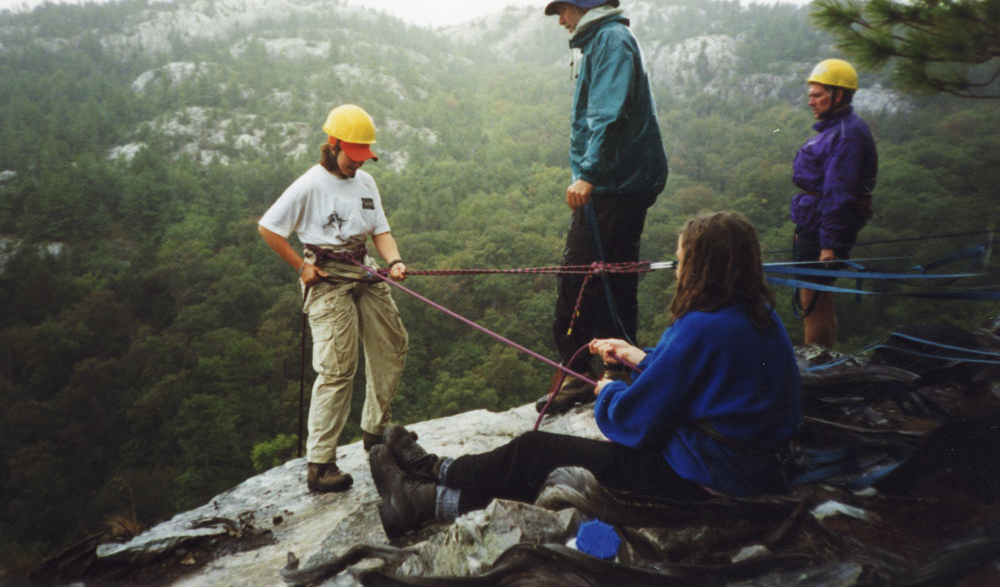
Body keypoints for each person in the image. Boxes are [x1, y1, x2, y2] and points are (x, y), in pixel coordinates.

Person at [369, 212, 803, 539]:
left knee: (536, 451)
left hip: (702, 476)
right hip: (747, 469)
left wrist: (609, 389)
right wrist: (636, 355)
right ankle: (425, 498)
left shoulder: (702, 326)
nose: (677, 266)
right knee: (549, 466)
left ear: (702, 266)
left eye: (681, 258)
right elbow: (697, 374)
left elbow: (632, 419)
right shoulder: (757, 313)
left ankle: (433, 472)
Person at [258, 103, 409, 493]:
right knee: (338, 367)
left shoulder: (366, 183)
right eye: (352, 157)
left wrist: (393, 261)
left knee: (392, 345)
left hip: (363, 269)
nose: (357, 165)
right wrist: (300, 266)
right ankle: (320, 465)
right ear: (332, 144)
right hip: (326, 277)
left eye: (362, 158)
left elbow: (381, 230)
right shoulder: (309, 184)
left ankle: (375, 435)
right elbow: (269, 227)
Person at [539, 0, 669, 414]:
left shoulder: (610, 40)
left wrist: (588, 175)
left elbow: (608, 114)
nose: (561, 21)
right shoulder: (600, 40)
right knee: (612, 275)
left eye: (563, 11)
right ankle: (611, 370)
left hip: (614, 183)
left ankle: (588, 375)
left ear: (585, 6)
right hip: (619, 182)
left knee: (583, 277)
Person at [792, 59, 878, 348]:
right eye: (810, 95)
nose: (811, 102)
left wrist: (828, 244)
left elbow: (838, 194)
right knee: (820, 299)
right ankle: (823, 359)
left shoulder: (846, 135)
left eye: (817, 95)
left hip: (823, 229)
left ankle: (815, 363)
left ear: (838, 95)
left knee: (812, 302)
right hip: (816, 224)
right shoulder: (840, 129)